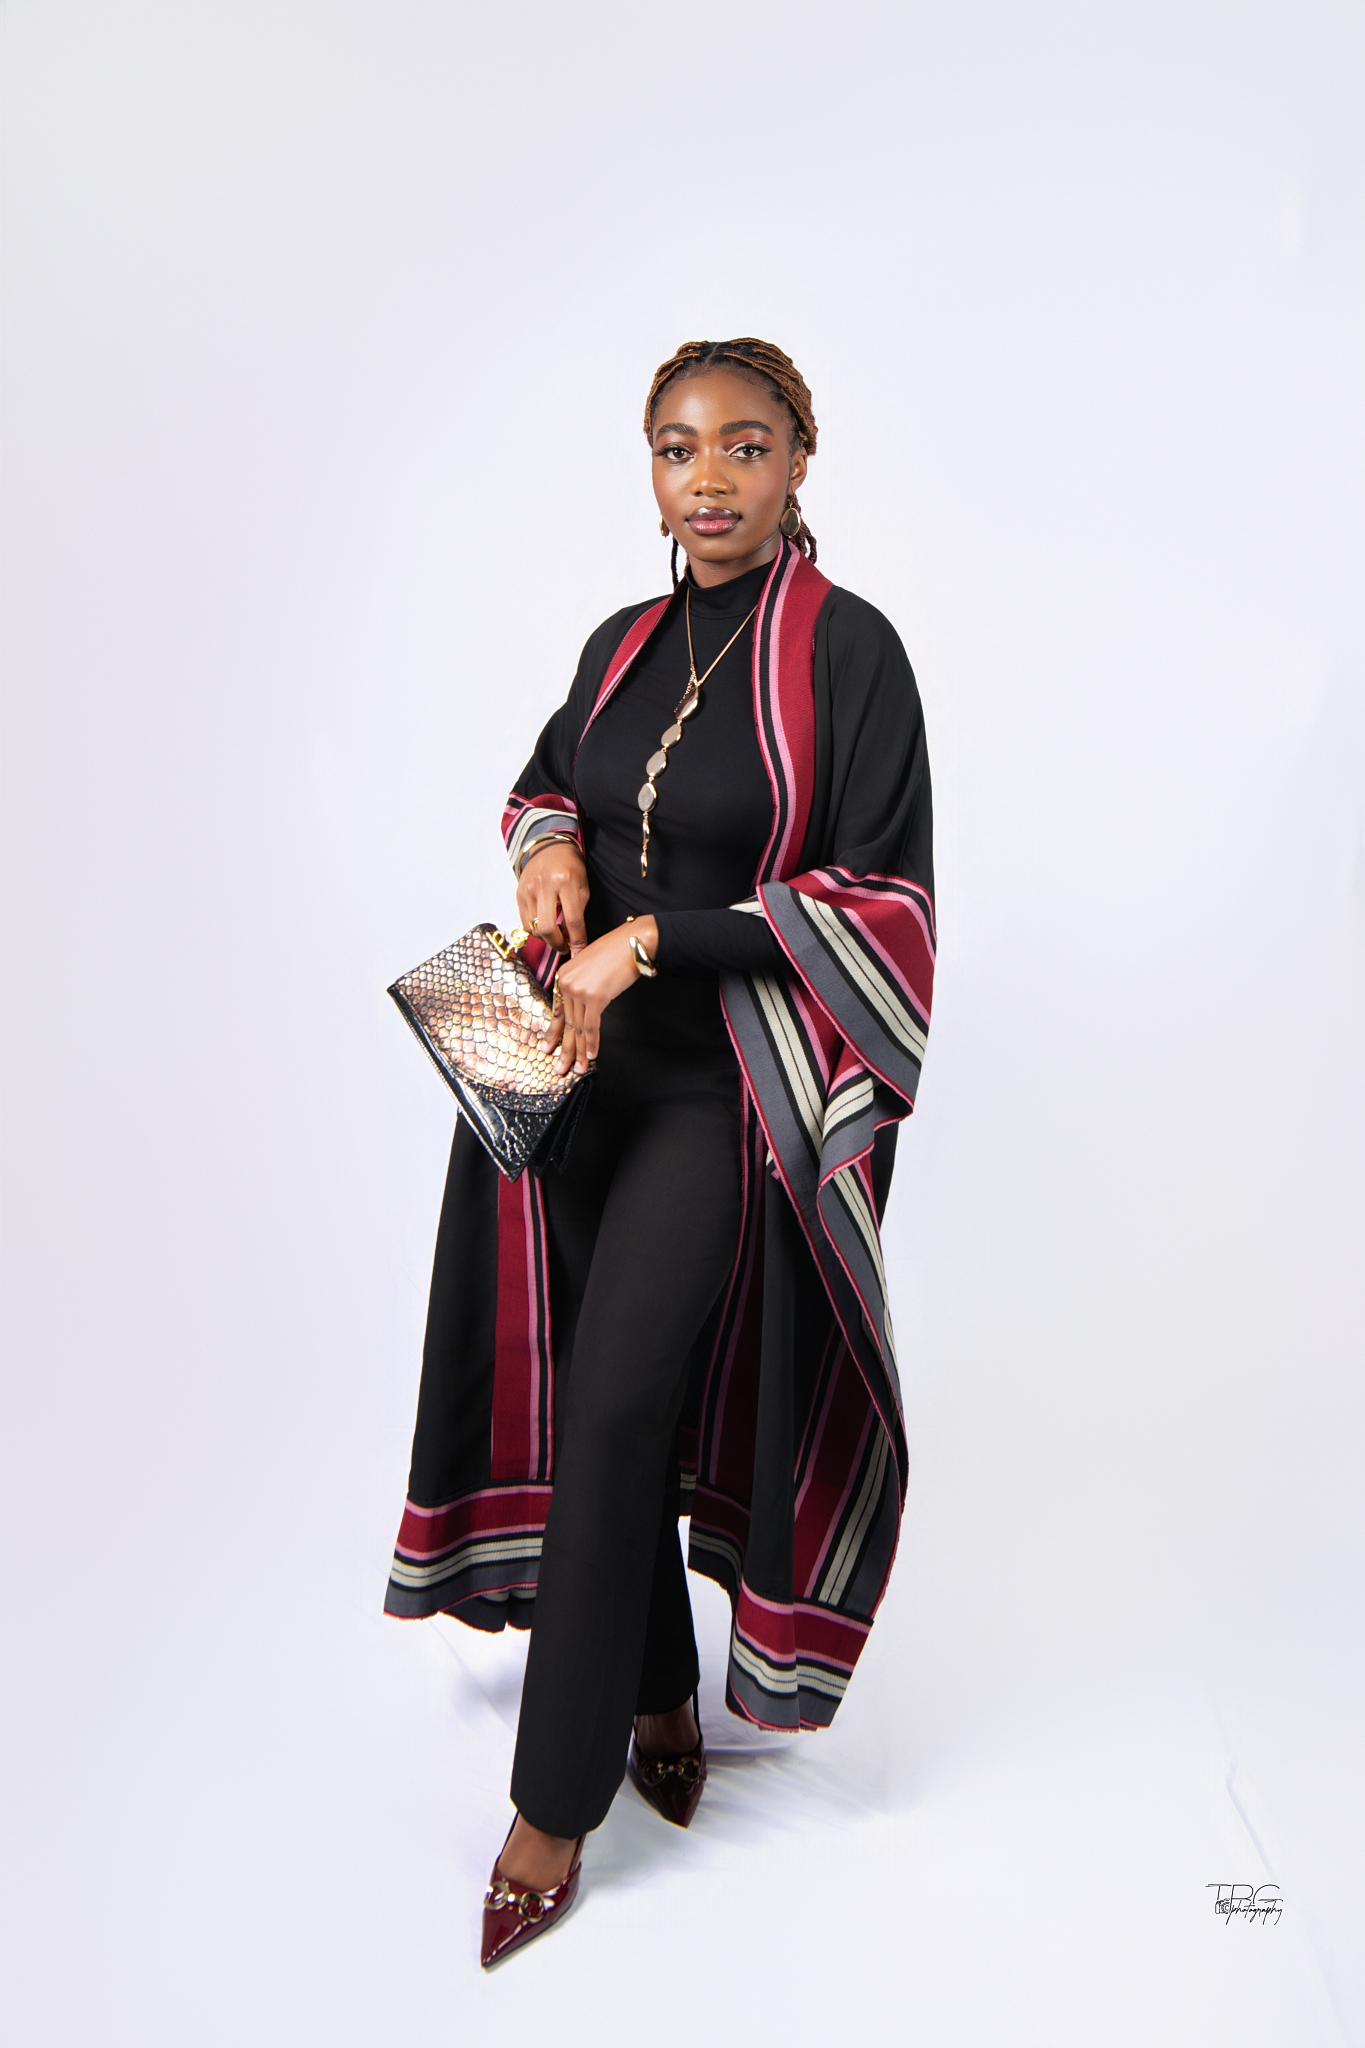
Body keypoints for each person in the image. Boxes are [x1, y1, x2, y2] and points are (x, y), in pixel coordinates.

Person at [384, 338, 937, 1966]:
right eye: (679, 448)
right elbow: (551, 781)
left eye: (744, 446)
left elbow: (882, 907)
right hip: (571, 1067)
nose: (709, 479)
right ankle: (648, 1694)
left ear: (799, 461)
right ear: (651, 470)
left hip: (721, 1087)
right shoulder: (623, 643)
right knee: (571, 1391)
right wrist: (551, 857)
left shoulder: (853, 654)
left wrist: (653, 943)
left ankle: (549, 1811)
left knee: (625, 1397)